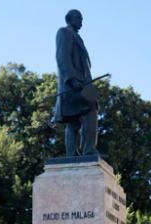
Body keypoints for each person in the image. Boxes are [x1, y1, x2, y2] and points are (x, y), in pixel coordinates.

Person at [54, 9, 98, 156]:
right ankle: (88, 150)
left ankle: (72, 154)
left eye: (81, 18)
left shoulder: (78, 37)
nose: (81, 21)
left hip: (82, 83)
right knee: (89, 111)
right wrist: (71, 79)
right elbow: (62, 57)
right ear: (69, 19)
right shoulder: (64, 32)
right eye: (78, 18)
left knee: (74, 121)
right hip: (73, 84)